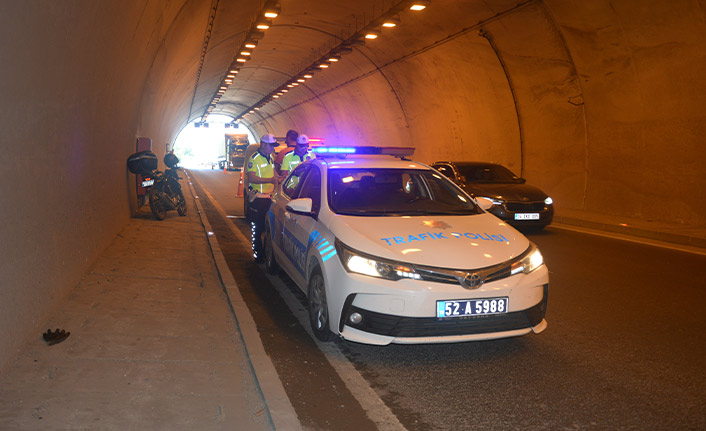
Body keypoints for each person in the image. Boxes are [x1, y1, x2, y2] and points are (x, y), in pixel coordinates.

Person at [246, 134, 280, 261]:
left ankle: (265, 253)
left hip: (269, 198)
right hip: (258, 199)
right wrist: (270, 180)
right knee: (257, 227)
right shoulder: (254, 159)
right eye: (271, 146)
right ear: (264, 144)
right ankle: (258, 255)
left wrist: (277, 178)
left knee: (267, 227)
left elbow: (273, 172)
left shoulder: (270, 157)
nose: (273, 149)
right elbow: (251, 178)